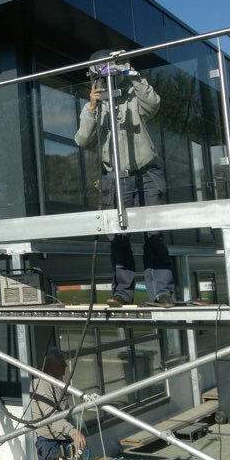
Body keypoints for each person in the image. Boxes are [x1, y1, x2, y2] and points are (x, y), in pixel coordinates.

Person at [74, 49, 175, 308]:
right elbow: (83, 140)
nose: (107, 73)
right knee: (118, 238)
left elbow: (154, 104)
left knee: (154, 234)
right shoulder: (95, 107)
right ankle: (122, 293)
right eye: (101, 69)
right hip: (114, 178)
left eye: (110, 67)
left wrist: (130, 72)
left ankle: (161, 293)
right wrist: (92, 106)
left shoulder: (132, 94)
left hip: (147, 174)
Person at [31, 346, 87, 460]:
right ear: (51, 363)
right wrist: (73, 432)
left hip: (63, 443)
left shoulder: (57, 384)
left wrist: (80, 429)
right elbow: (51, 416)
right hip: (52, 445)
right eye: (61, 362)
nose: (65, 366)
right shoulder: (42, 384)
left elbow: (67, 411)